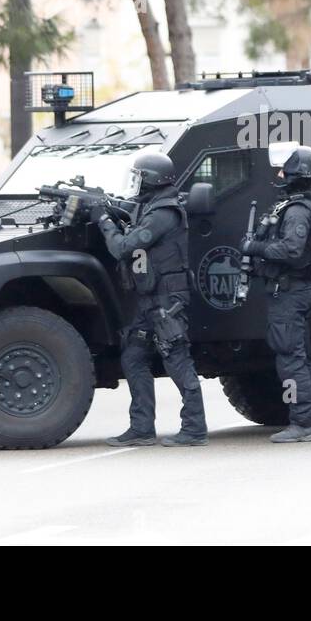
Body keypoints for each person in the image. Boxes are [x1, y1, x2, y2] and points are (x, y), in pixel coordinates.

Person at [99, 151, 208, 447]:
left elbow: (123, 247)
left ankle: (195, 429)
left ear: (151, 180)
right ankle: (142, 428)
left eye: (139, 176)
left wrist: (104, 221)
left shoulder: (163, 213)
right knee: (133, 356)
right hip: (150, 299)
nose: (135, 182)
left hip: (167, 300)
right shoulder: (150, 207)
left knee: (177, 359)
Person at [240, 145, 311, 444]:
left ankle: (302, 422)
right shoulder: (310, 204)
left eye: (284, 170)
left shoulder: (296, 211)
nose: (279, 174)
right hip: (297, 288)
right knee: (301, 356)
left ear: (296, 174)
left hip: (289, 290)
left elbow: (291, 250)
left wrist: (255, 248)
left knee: (289, 356)